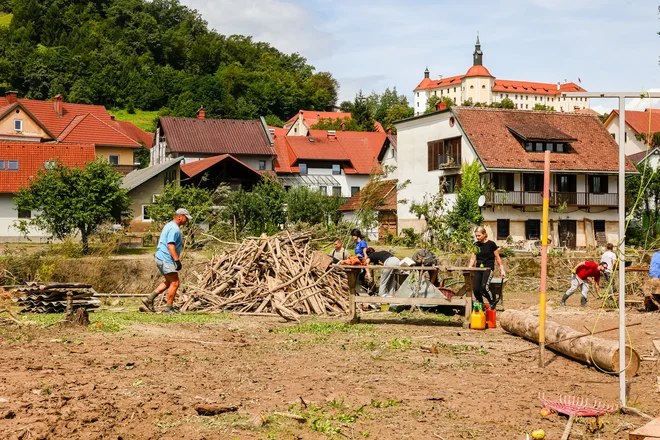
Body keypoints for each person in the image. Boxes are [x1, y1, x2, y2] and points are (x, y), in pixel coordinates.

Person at [142, 208, 191, 314]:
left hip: (160, 257)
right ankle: (168, 309)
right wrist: (177, 261)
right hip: (166, 259)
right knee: (175, 283)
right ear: (180, 216)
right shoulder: (174, 229)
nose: (187, 221)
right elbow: (170, 245)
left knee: (169, 282)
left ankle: (149, 299)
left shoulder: (169, 225)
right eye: (186, 218)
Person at [468, 226, 506, 309]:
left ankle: (492, 302)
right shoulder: (476, 245)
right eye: (476, 236)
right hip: (478, 269)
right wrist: (470, 267)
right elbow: (473, 258)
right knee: (476, 289)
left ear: (484, 234)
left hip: (488, 269)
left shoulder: (491, 244)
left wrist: (502, 269)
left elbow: (498, 257)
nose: (477, 237)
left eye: (479, 235)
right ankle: (481, 304)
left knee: (484, 287)